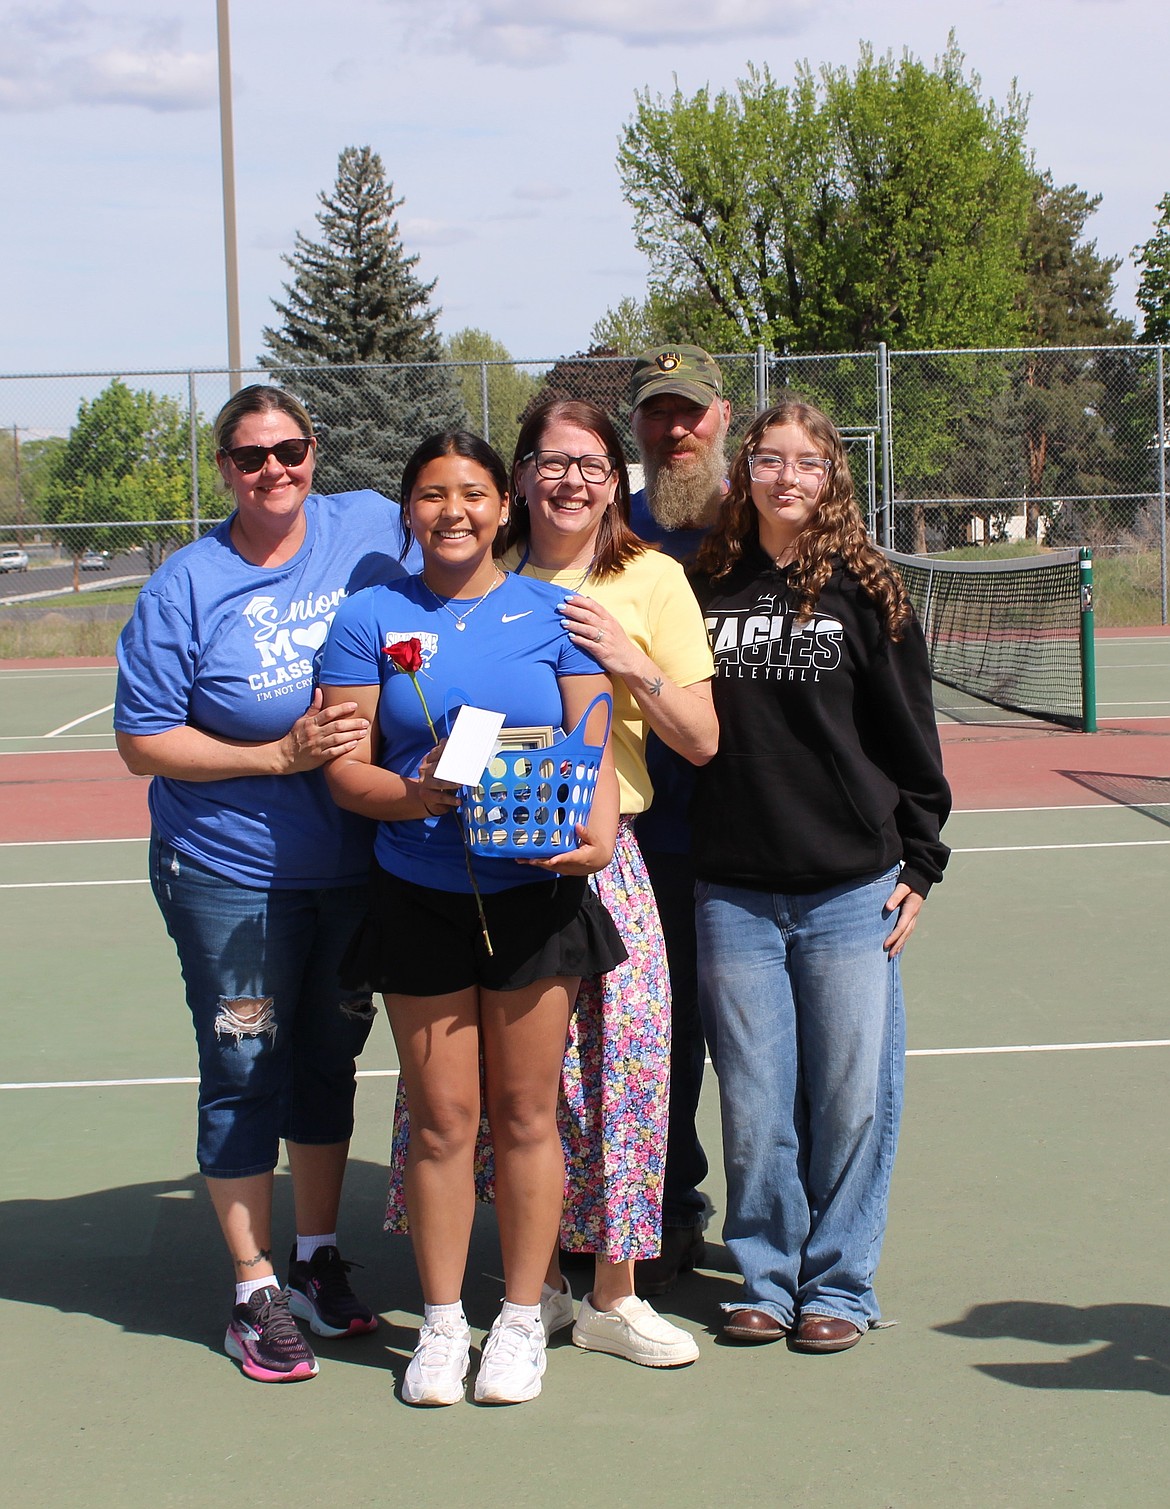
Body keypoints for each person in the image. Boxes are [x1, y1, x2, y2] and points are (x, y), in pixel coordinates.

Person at [318, 430, 625, 1407]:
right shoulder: (370, 616)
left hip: (535, 897)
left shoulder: (555, 613)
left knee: (530, 1115)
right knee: (445, 1122)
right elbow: (345, 768)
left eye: (474, 493)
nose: (454, 510)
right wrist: (412, 798)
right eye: (433, 494)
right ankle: (444, 1326)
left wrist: (600, 836)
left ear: (505, 508)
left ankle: (523, 1320)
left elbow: (595, 743)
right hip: (418, 897)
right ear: (409, 510)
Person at [114, 384, 403, 1384]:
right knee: (246, 1059)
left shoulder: (367, 528)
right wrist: (277, 756)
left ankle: (315, 1260)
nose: (272, 470)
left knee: (328, 1059)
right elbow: (142, 741)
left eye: (288, 451)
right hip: (229, 879)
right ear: (225, 470)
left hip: (350, 874)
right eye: (249, 458)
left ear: (314, 451)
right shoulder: (188, 586)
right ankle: (251, 1291)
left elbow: (475, 523)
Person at [690, 397, 951, 1353]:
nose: (788, 476)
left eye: (807, 461)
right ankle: (765, 1274)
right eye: (770, 460)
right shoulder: (706, 578)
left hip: (849, 888)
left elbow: (909, 733)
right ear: (743, 473)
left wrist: (921, 858)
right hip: (735, 889)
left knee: (849, 1099)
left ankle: (839, 1284)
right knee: (755, 1104)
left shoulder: (866, 586)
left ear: (832, 475)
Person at [501, 396, 716, 1368]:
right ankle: (536, 1290)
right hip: (497, 861)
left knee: (626, 1077)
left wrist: (629, 662)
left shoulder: (654, 578)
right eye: (552, 461)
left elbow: (702, 740)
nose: (572, 480)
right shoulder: (485, 579)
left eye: (590, 463)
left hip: (611, 854)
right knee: (522, 1089)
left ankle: (615, 1295)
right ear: (522, 474)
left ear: (614, 478)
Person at [626, 344, 731, 1294]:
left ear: (722, 416)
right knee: (656, 1037)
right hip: (636, 840)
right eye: (660, 412)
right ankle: (661, 1202)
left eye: (690, 410)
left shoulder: (759, 522)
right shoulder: (611, 530)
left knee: (762, 1043)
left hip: (753, 838)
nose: (676, 428)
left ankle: (793, 1239)